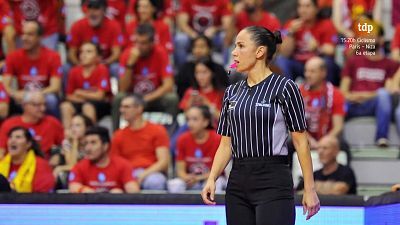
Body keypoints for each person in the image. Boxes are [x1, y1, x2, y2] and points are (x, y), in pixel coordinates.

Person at [201, 26, 320, 225]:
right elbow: (225, 143)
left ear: (259, 52)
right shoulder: (231, 92)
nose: (234, 52)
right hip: (237, 179)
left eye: (240, 46)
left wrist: (310, 189)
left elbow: (301, 143)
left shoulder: (286, 88)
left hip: (273, 179)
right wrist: (212, 178)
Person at [340, 25, 399, 147]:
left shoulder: (390, 64)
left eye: (372, 36)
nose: (368, 40)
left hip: (374, 104)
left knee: (383, 95)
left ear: (381, 40)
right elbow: (343, 90)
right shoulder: (353, 61)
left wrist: (363, 95)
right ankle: (337, 141)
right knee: (338, 102)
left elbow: (387, 91)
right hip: (353, 103)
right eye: (366, 37)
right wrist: (351, 97)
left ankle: (381, 137)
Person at [113, 23, 178, 130]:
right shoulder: (127, 54)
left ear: (152, 43)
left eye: (143, 43)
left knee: (172, 99)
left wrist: (146, 98)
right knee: (119, 98)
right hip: (133, 97)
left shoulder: (161, 53)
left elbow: (168, 86)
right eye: (137, 42)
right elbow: (123, 88)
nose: (139, 46)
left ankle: (170, 136)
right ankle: (116, 135)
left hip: (153, 97)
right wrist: (130, 65)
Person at [2, 20, 62, 118]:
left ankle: (53, 128)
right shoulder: (13, 56)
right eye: (23, 34)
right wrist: (14, 93)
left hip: (43, 96)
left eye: (30, 34)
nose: (24, 38)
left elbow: (55, 87)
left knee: (51, 100)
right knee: (5, 101)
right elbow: (5, 85)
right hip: (21, 97)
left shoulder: (53, 56)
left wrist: (32, 95)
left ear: (40, 37)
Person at [111, 94, 170, 190]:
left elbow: (163, 162)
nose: (122, 110)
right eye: (121, 107)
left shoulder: (157, 130)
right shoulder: (118, 135)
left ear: (139, 109)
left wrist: (143, 175)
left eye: (127, 107)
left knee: (155, 182)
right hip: (128, 174)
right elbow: (115, 163)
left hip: (151, 172)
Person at [276, 0, 339, 85]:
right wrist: (291, 33)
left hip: (317, 64)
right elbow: (284, 53)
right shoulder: (291, 24)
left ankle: (326, 95)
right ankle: (288, 95)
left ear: (316, 9)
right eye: (300, 6)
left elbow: (331, 50)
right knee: (281, 61)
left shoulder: (326, 24)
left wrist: (318, 47)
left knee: (328, 63)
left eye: (307, 6)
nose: (303, 10)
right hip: (298, 65)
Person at [168, 106, 226, 193]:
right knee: (174, 184)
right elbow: (180, 170)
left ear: (206, 122)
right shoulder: (182, 139)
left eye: (195, 119)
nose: (190, 123)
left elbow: (219, 170)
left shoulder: (217, 139)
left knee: (215, 184)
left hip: (212, 178)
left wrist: (199, 178)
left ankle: (213, 206)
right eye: (188, 119)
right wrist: (186, 177)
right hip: (190, 179)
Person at [69, 126, 140, 193]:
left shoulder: (123, 165)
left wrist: (121, 193)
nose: (88, 148)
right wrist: (86, 191)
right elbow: (73, 187)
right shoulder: (80, 167)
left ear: (105, 146)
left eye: (93, 143)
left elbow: (134, 190)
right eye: (86, 143)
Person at [67, 0, 124, 78]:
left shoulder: (114, 26)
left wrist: (103, 64)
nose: (92, 13)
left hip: (105, 63)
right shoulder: (77, 25)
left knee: (116, 68)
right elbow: (71, 53)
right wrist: (80, 65)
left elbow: (116, 54)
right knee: (66, 68)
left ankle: (120, 91)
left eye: (96, 9)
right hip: (82, 63)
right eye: (90, 9)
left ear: (104, 11)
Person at [0, 90, 64, 159]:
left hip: (43, 164)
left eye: (44, 104)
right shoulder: (9, 124)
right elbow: (1, 151)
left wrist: (58, 156)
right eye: (37, 105)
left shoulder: (52, 123)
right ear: (24, 105)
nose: (43, 108)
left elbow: (66, 144)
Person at [60, 42, 111, 129]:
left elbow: (100, 96)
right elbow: (69, 96)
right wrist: (88, 96)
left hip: (100, 105)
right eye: (81, 52)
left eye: (89, 52)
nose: (84, 55)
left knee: (88, 106)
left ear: (98, 57)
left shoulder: (102, 69)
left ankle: (90, 134)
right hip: (81, 102)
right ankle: (68, 137)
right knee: (65, 106)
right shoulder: (74, 71)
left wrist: (80, 93)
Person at [300, 56, 346, 150]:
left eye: (312, 71)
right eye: (306, 71)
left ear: (323, 73)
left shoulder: (335, 93)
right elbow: (294, 125)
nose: (307, 75)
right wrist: (309, 140)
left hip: (328, 138)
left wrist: (324, 141)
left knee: (344, 147)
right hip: (304, 138)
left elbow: (338, 126)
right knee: (286, 147)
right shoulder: (298, 92)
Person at [174, 0, 234, 67]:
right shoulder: (186, 1)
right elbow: (182, 24)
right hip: (192, 35)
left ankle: (224, 70)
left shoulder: (222, 1)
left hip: (213, 35)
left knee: (224, 36)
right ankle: (182, 69)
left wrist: (215, 29)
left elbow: (227, 24)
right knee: (180, 39)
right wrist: (193, 34)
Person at [0, 126, 55, 193]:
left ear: (28, 144)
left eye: (18, 137)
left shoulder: (40, 164)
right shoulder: (1, 162)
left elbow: (43, 194)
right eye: (10, 137)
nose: (12, 140)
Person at [175, 35, 229, 99]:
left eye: (202, 46)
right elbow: (180, 91)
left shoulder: (218, 68)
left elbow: (225, 90)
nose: (198, 50)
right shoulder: (185, 68)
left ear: (210, 49)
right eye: (195, 46)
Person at [53, 114, 94, 179]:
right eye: (72, 125)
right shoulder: (67, 142)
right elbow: (71, 164)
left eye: (78, 125)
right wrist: (75, 142)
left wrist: (60, 168)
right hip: (77, 173)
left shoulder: (92, 142)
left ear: (87, 128)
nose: (73, 129)